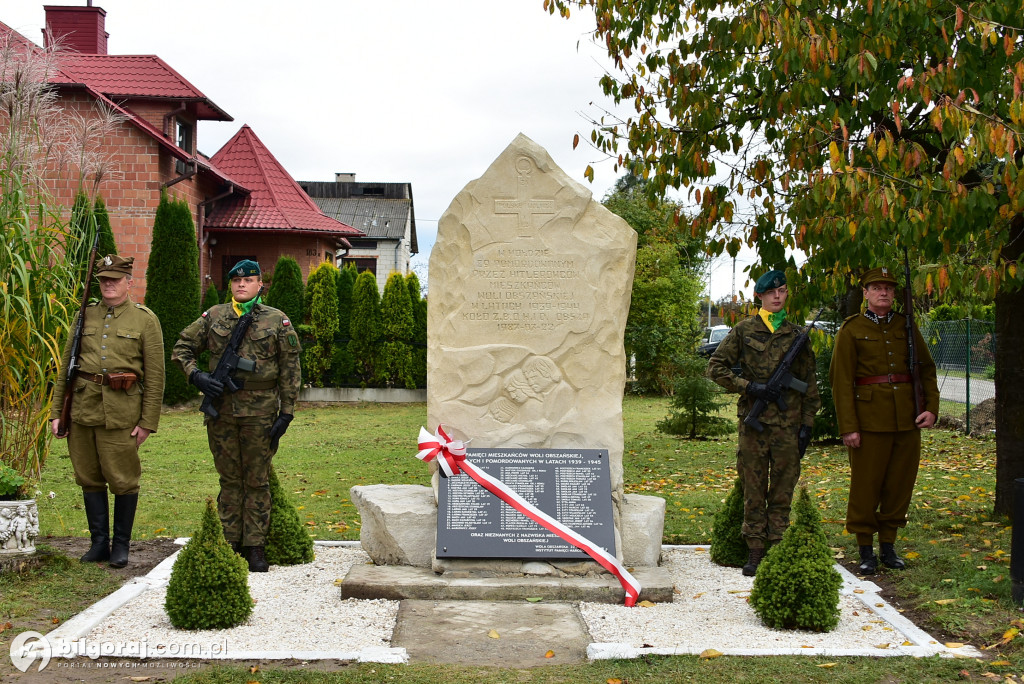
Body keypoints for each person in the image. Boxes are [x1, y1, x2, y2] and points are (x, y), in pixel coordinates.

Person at [171, 259, 301, 572]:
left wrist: (287, 411)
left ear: (260, 285)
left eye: (249, 280)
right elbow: (181, 347)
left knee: (256, 481)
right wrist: (196, 376)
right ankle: (228, 542)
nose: (241, 285)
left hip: (261, 413)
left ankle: (255, 546)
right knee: (230, 480)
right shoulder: (215, 316)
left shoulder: (276, 320)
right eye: (236, 281)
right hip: (222, 412)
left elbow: (290, 368)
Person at [50, 254, 164, 568]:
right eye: (103, 280)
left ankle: (121, 545)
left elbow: (155, 376)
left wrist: (147, 421)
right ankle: (99, 543)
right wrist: (57, 411)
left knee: (123, 479)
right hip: (83, 409)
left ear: (129, 281)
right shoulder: (83, 316)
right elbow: (66, 369)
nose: (109, 285)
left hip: (122, 412)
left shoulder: (144, 320)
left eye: (115, 279)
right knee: (88, 477)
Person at [707, 270, 820, 576]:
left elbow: (809, 383)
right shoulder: (744, 330)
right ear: (759, 296)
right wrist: (749, 387)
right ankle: (755, 549)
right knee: (753, 487)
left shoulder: (797, 335)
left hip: (788, 425)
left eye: (782, 291)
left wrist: (807, 424)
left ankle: (778, 545)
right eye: (771, 293)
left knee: (784, 487)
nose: (778, 296)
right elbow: (715, 368)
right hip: (754, 425)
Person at [829, 266, 939, 575]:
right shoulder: (851, 329)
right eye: (877, 287)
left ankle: (888, 545)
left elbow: (926, 369)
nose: (884, 292)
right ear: (865, 293)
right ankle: (866, 549)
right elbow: (841, 381)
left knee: (899, 485)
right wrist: (848, 426)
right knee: (866, 486)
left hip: (907, 419)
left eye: (889, 288)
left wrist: (931, 407)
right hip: (869, 421)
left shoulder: (906, 326)